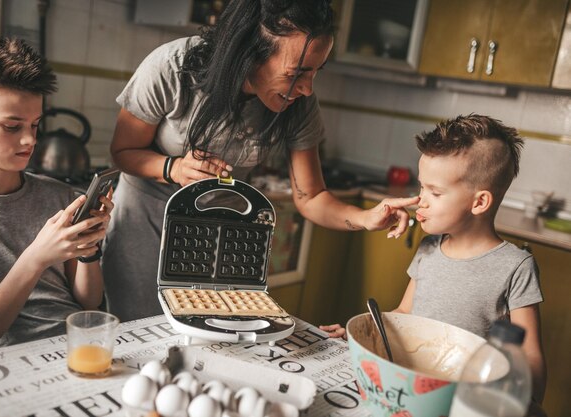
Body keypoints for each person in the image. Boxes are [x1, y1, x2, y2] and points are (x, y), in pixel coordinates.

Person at [103, 0, 419, 322]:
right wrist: (173, 168)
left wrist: (366, 218)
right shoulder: (173, 67)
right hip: (145, 227)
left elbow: (311, 197)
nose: (307, 89)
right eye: (297, 73)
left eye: (314, 72)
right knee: (141, 336)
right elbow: (122, 152)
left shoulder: (298, 103)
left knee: (212, 343)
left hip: (222, 235)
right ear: (249, 52)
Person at [321, 114, 546, 406]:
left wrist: (528, 405)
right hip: (416, 390)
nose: (420, 200)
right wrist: (362, 335)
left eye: (435, 192)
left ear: (479, 202)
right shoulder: (429, 248)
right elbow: (404, 312)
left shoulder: (516, 266)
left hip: (466, 400)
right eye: (422, 187)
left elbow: (529, 356)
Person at [0, 34, 114, 353]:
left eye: (35, 125)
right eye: (12, 127)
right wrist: (37, 256)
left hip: (79, 347)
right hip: (8, 363)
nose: (29, 141)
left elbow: (87, 302)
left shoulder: (60, 195)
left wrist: (88, 248)